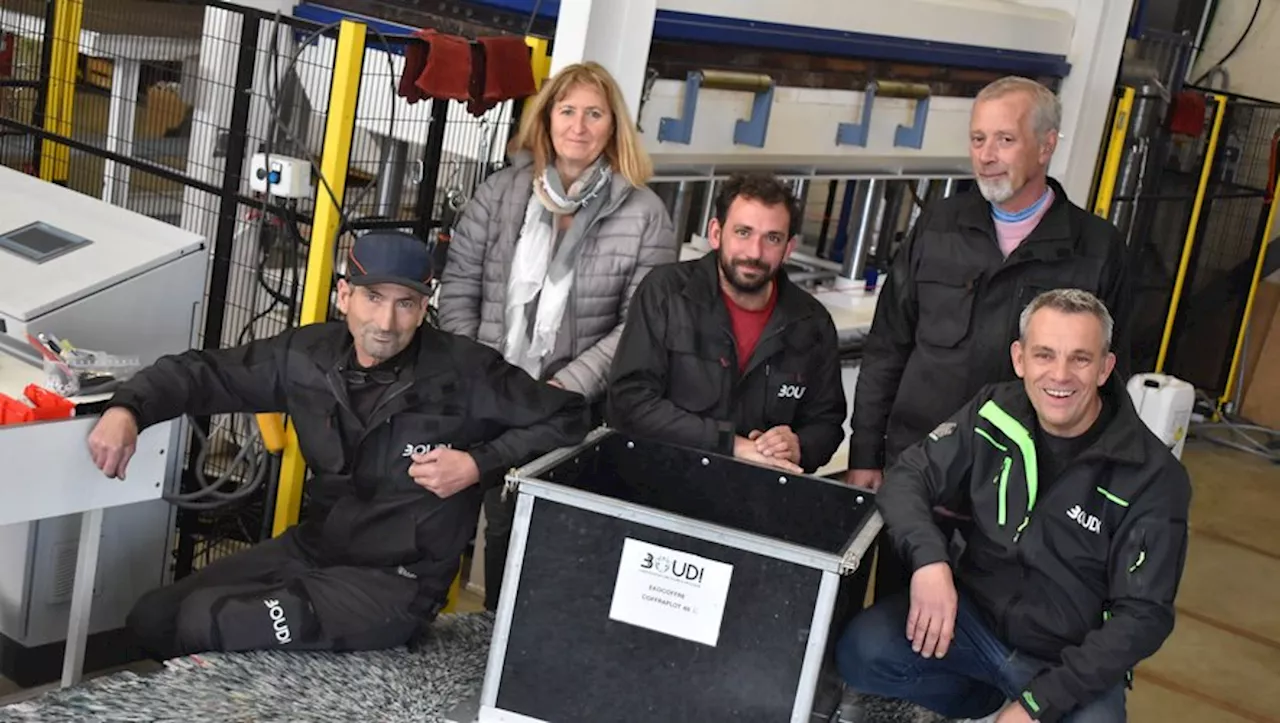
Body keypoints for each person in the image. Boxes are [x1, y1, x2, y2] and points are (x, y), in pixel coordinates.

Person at [88, 231, 590, 661]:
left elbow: (571, 416)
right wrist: (128, 408)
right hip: (315, 548)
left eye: (405, 303)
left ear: (424, 306)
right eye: (373, 297)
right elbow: (204, 373)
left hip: (396, 582)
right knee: (154, 618)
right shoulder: (306, 355)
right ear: (344, 295)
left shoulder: (467, 371)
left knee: (208, 619)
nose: (387, 323)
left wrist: (478, 464)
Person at [835, 289, 1190, 723]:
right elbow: (909, 477)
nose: (1060, 375)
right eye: (1045, 355)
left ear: (1105, 368)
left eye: (1080, 358)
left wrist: (1037, 705)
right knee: (864, 651)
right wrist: (930, 562)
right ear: (1020, 359)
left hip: (1065, 661)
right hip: (972, 624)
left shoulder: (1152, 476)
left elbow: (1144, 615)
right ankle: (976, 704)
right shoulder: (993, 412)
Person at [845, 75, 1133, 603]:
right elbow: (888, 347)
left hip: (1023, 493)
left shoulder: (1095, 250)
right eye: (978, 140)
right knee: (891, 619)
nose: (986, 156)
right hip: (920, 477)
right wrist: (866, 453)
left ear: (1046, 145)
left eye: (1005, 139)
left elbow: (1112, 382)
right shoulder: (937, 227)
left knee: (989, 627)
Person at [437, 61, 675, 609]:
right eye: (567, 111)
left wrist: (563, 388)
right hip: (481, 386)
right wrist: (478, 371)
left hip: (570, 407)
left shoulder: (644, 215)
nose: (579, 126)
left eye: (595, 114)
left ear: (614, 127)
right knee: (447, 513)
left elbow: (637, 326)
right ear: (545, 120)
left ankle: (501, 637)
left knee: (519, 527)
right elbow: (460, 285)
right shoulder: (501, 193)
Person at [607, 172, 845, 474]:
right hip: (658, 479)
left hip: (756, 495)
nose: (754, 253)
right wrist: (731, 444)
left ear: (789, 248)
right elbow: (630, 402)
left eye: (772, 238)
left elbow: (826, 422)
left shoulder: (812, 323)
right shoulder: (666, 293)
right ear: (716, 233)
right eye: (743, 232)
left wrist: (798, 445)